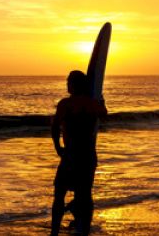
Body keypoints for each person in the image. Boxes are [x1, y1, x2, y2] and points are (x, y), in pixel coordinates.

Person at [50, 70, 107, 236]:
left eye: (69, 82)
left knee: (60, 192)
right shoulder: (93, 104)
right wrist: (102, 102)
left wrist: (57, 147)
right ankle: (85, 230)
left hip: (71, 155)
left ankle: (54, 232)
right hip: (88, 155)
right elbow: (104, 115)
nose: (66, 84)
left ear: (75, 84)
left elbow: (54, 127)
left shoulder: (65, 104)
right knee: (85, 194)